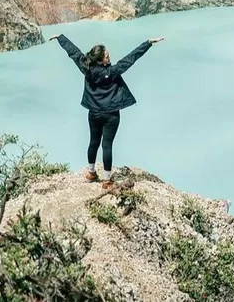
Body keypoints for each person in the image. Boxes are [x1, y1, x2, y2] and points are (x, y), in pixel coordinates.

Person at [48, 33, 164, 190]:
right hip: (111, 115)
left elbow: (73, 52)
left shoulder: (86, 68)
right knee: (107, 145)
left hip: (94, 113)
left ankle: (91, 173)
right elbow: (131, 58)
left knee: (93, 142)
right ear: (101, 61)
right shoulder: (113, 71)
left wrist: (60, 38)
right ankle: (107, 180)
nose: (110, 58)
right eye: (107, 57)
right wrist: (148, 43)